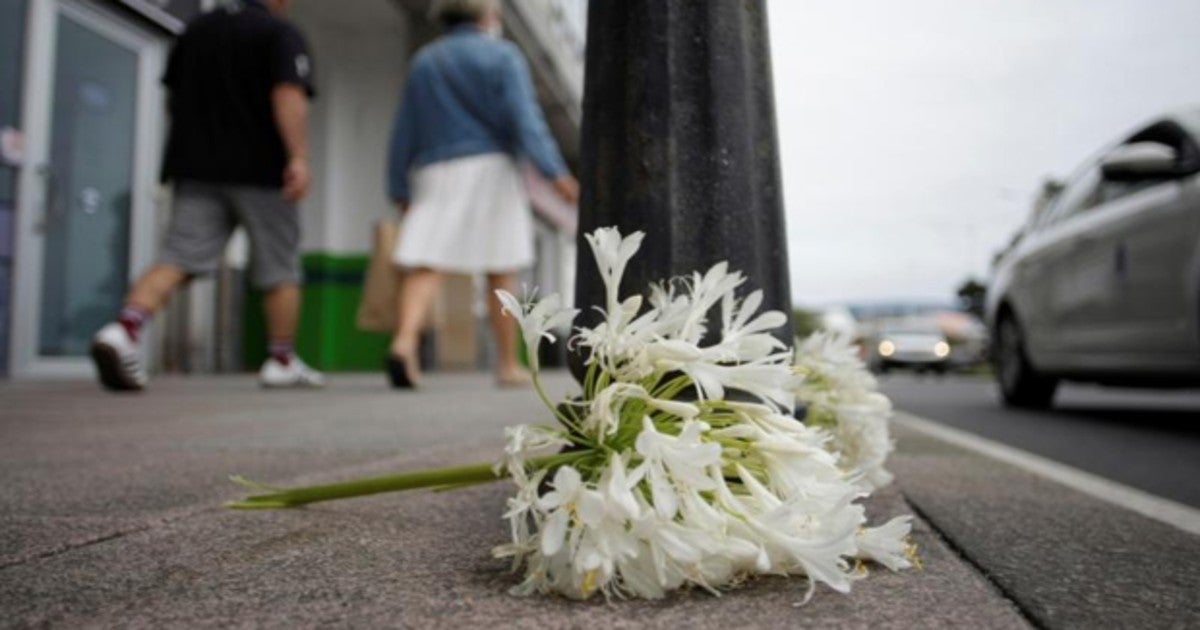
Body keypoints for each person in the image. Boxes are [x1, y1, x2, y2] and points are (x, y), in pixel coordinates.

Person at [90, 0, 325, 391]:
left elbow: (172, 100)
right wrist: (298, 157)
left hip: (195, 167)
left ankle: (124, 328)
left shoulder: (196, 30)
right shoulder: (281, 33)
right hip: (262, 170)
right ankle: (281, 359)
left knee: (178, 256)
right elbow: (287, 93)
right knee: (279, 267)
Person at [385, 0, 579, 389]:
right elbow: (526, 121)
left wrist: (398, 185)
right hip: (492, 168)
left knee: (426, 263)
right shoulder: (504, 57)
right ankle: (507, 364)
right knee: (501, 269)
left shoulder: (426, 61)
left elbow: (404, 126)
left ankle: (404, 343)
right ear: (486, 17)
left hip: (435, 169)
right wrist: (556, 174)